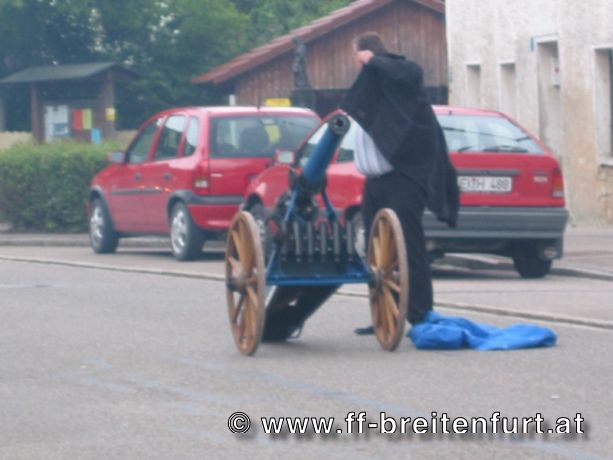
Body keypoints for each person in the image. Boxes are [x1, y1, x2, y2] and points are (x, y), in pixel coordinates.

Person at [341, 32, 459, 331]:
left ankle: (420, 314)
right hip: (375, 182)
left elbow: (409, 72)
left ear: (365, 54)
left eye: (357, 58)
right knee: (378, 253)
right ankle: (385, 315)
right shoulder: (374, 92)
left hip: (403, 179)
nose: (356, 64)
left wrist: (373, 60)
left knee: (408, 247)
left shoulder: (401, 78)